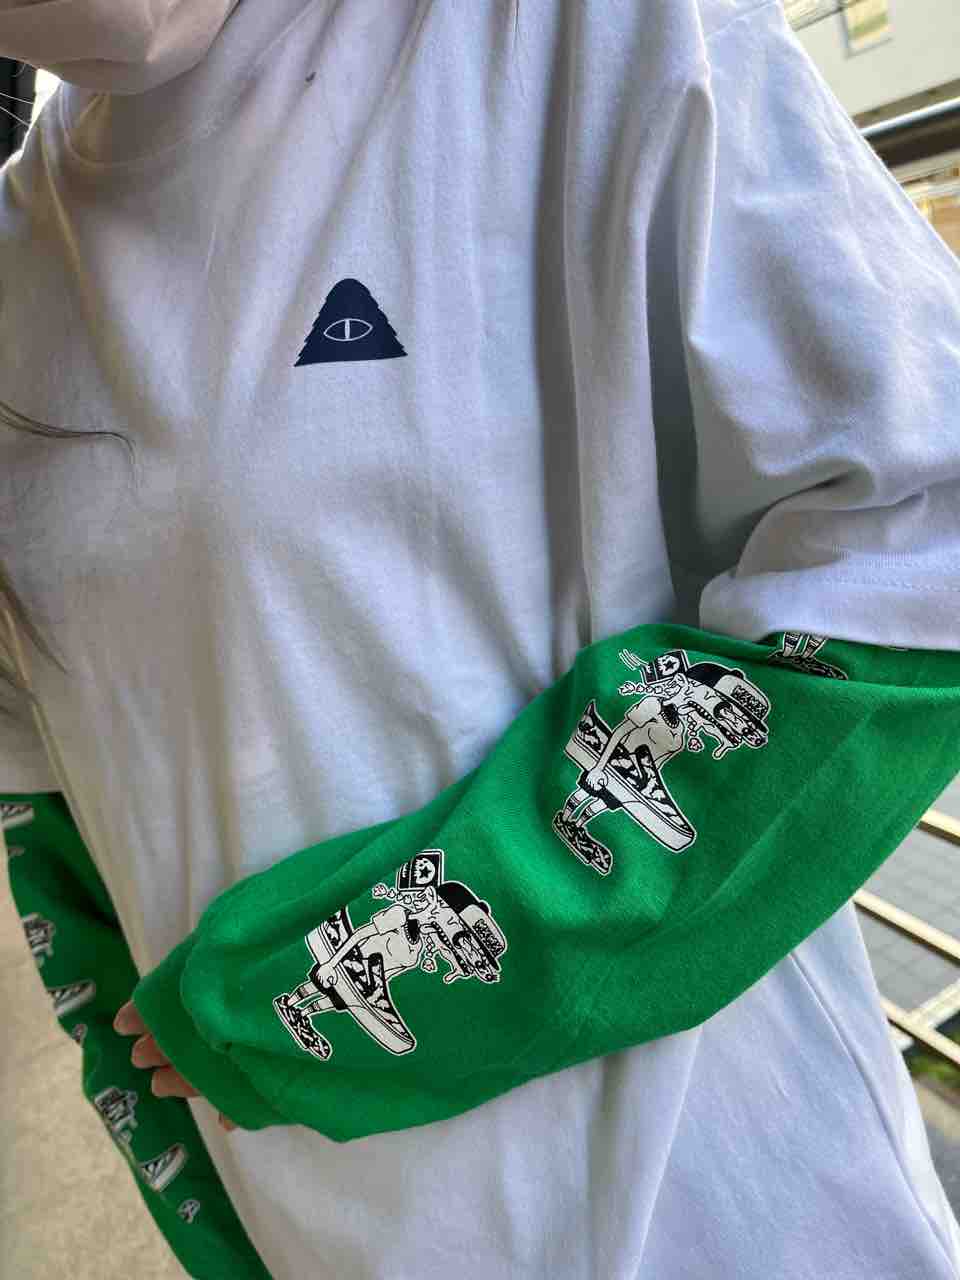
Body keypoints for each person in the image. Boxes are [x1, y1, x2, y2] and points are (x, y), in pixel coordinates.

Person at [1, 1, 960, 1277]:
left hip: (738, 1224)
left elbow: (918, 553)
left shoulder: (571, 30)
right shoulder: (16, 268)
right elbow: (58, 834)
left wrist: (306, 1008)